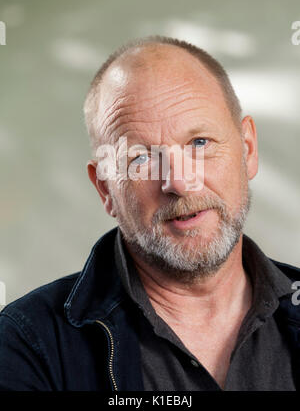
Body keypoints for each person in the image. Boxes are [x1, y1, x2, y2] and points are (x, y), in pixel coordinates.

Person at [0, 36, 300, 391]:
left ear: (247, 150)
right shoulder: (26, 346)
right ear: (106, 188)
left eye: (199, 143)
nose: (180, 182)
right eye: (140, 158)